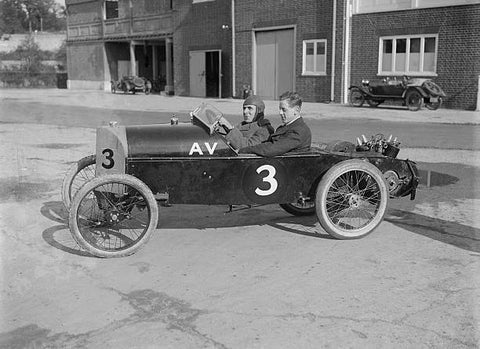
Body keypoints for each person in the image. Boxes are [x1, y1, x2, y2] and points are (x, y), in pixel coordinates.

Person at [239, 91, 311, 157]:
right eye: (280, 109)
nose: (280, 113)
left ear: (296, 110)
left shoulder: (299, 131)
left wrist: (244, 150)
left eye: (284, 109)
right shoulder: (286, 127)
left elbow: (272, 149)